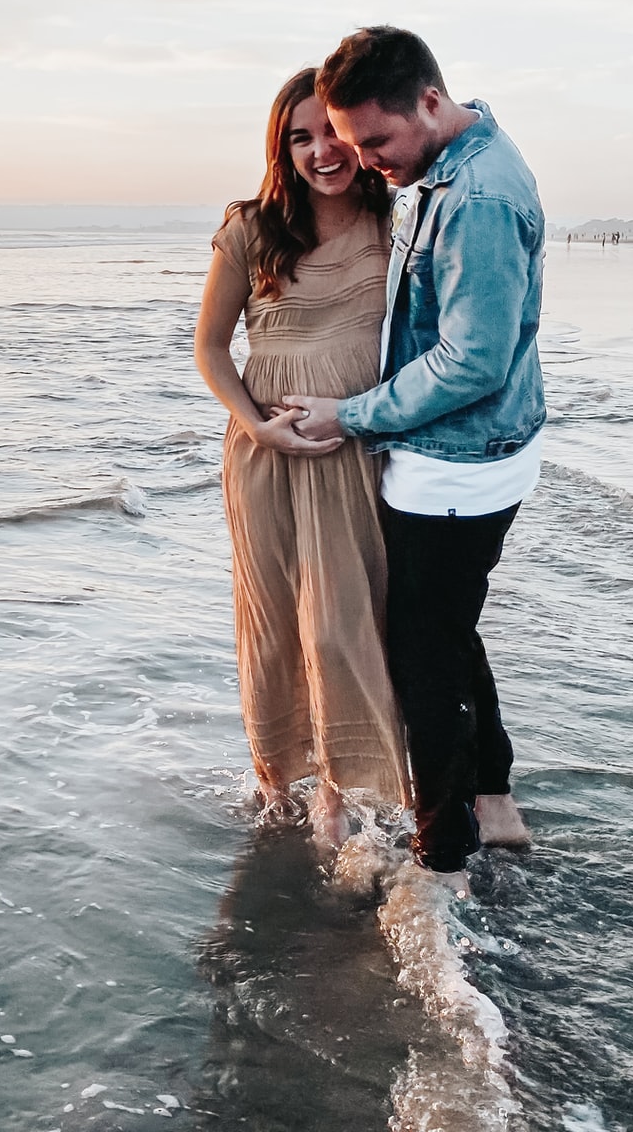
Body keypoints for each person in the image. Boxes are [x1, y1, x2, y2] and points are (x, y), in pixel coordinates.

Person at [279, 27, 545, 894]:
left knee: (420, 661)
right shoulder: (456, 165)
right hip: (464, 455)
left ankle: (443, 860)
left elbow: (474, 361)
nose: (367, 162)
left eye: (376, 142)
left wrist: (352, 414)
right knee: (448, 632)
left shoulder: (476, 198)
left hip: (456, 464)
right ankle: (493, 801)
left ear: (430, 102)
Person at [194, 68, 410, 852]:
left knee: (343, 624)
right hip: (265, 457)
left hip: (352, 450)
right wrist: (258, 428)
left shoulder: (397, 221)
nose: (322, 150)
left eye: (333, 132)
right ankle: (277, 780)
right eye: (301, 136)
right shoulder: (250, 228)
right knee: (277, 623)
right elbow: (211, 349)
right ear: (281, 148)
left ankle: (343, 792)